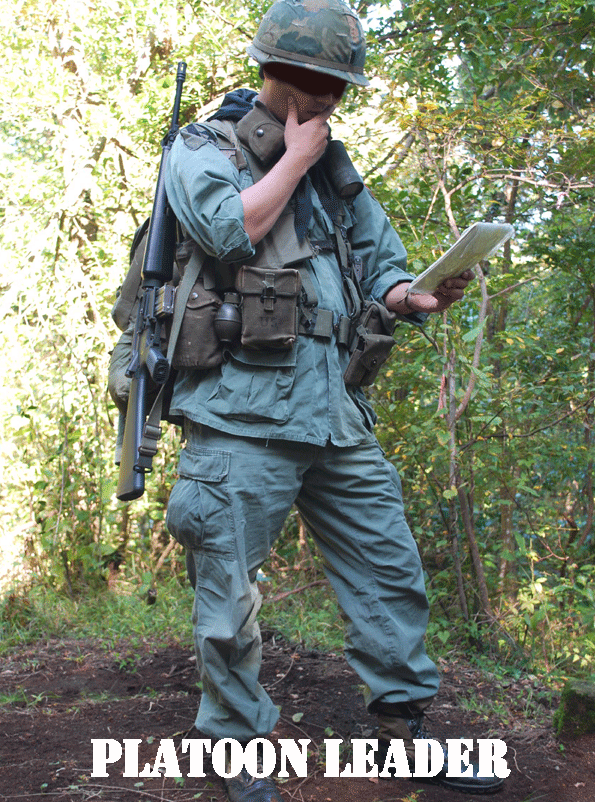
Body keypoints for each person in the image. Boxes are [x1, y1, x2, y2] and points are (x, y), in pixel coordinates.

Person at [163, 1, 503, 799]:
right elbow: (224, 231)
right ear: (272, 70)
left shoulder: (336, 171)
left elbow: (381, 264)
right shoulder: (203, 146)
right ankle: (236, 752)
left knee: (389, 569)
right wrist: (293, 158)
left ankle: (399, 731)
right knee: (229, 597)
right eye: (313, 81)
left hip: (334, 410)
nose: (324, 97)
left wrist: (414, 294)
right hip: (240, 414)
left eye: (336, 86)